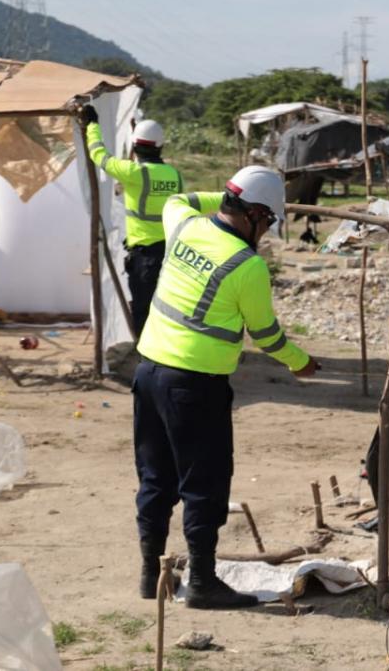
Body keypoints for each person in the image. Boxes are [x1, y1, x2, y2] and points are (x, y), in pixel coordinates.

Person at [132, 166, 318, 609]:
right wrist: (302, 363)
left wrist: (228, 193)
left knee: (156, 479)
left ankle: (150, 575)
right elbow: (267, 335)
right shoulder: (247, 266)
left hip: (149, 373)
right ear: (253, 214)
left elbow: (179, 199)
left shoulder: (184, 224)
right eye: (267, 221)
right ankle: (202, 582)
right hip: (195, 386)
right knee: (204, 485)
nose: (267, 232)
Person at [81, 105, 182, 337]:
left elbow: (98, 154)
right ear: (161, 146)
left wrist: (92, 125)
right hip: (172, 255)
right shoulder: (175, 175)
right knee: (167, 309)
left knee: (143, 311)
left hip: (145, 258)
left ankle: (145, 354)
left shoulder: (134, 172)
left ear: (135, 146)